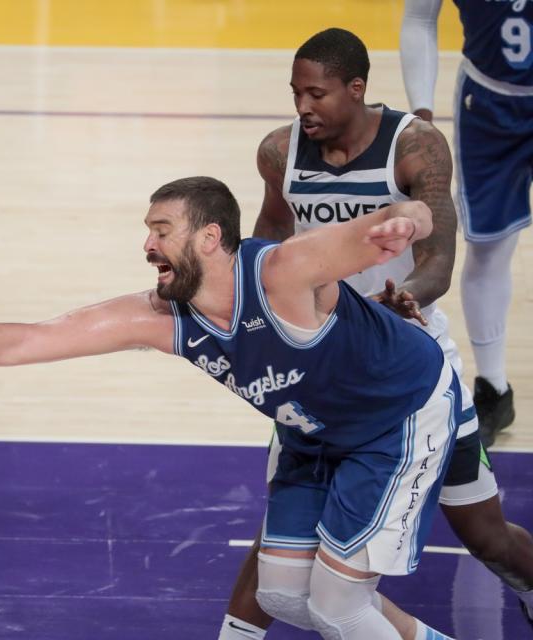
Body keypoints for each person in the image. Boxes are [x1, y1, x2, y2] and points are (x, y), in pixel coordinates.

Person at [0, 176, 458, 639]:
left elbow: (409, 214)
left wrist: (407, 223)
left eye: (161, 231)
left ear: (210, 237)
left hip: (398, 415)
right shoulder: (164, 318)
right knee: (287, 596)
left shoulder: (285, 275)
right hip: (313, 433)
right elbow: (30, 339)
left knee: (342, 605)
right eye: (147, 232)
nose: (147, 246)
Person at [217, 28, 533, 639]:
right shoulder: (281, 153)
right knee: (283, 529)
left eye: (316, 93)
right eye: (295, 93)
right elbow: (267, 248)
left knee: (485, 535)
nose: (302, 106)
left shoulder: (414, 147)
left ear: (356, 89)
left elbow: (440, 256)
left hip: (413, 368)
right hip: (321, 371)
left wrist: (406, 298)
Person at [401, 0, 533, 447]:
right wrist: (421, 110)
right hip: (489, 103)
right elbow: (421, 16)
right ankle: (494, 388)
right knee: (489, 248)